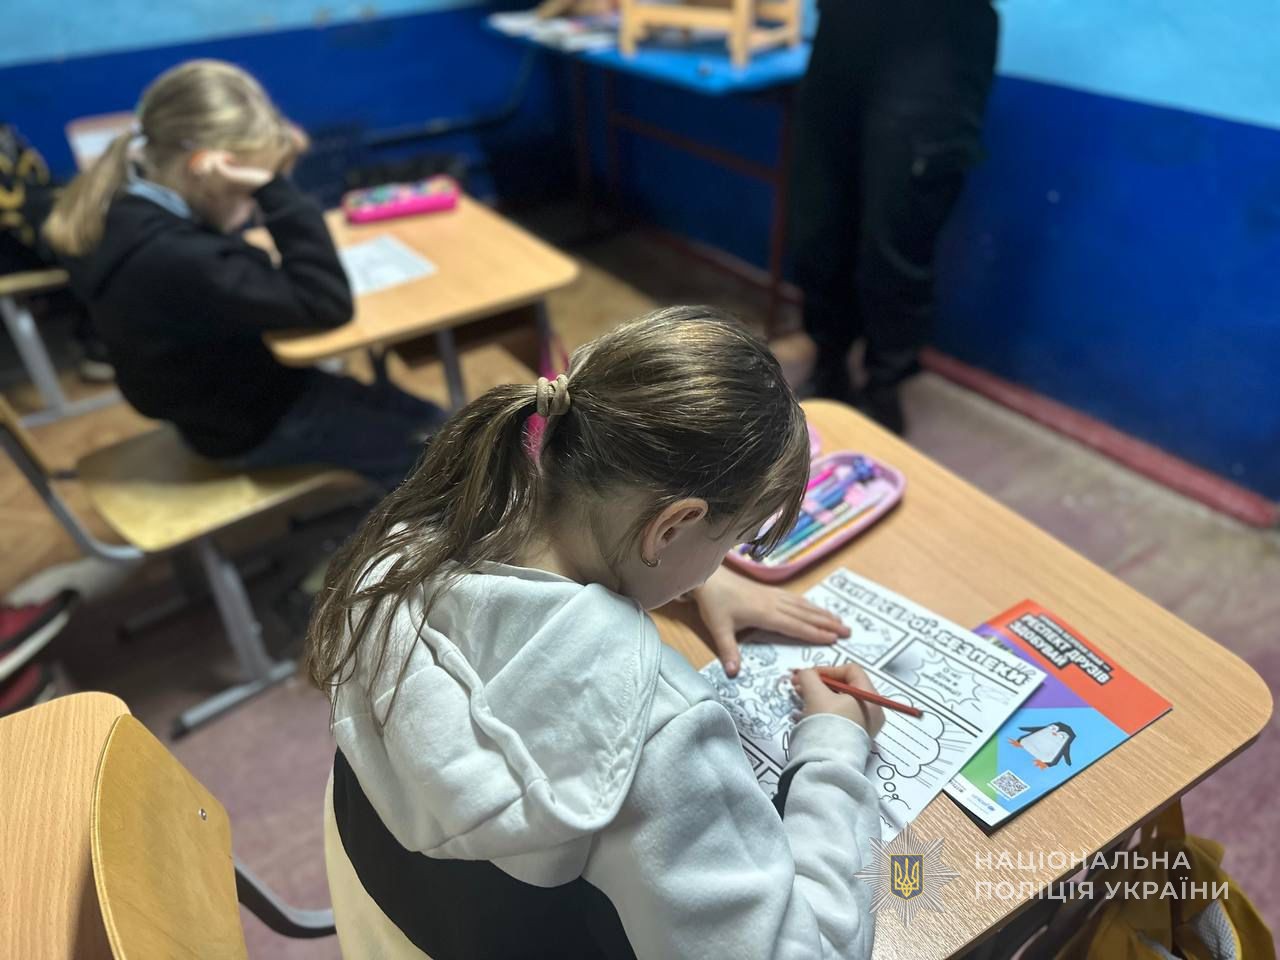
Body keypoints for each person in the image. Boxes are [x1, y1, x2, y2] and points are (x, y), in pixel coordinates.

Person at [309, 306, 885, 959]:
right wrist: (834, 748)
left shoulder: (398, 555)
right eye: (729, 544)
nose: (720, 565)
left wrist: (684, 576)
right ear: (672, 526)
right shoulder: (661, 738)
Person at [44, 60, 443, 490]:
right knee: (423, 461)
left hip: (226, 399)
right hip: (248, 424)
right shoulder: (181, 257)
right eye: (248, 190)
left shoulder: (118, 204)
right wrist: (276, 192)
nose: (252, 205)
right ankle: (409, 528)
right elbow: (326, 302)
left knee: (432, 419)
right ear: (204, 168)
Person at [789, 0, 999, 434]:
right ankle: (828, 365)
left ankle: (884, 389)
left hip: (936, 37)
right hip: (843, 29)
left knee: (897, 233)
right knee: (820, 222)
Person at [0, 123, 113, 382]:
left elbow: (38, 182)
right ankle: (95, 340)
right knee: (78, 239)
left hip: (40, 231)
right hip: (15, 247)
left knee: (95, 225)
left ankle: (99, 335)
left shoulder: (6, 134)